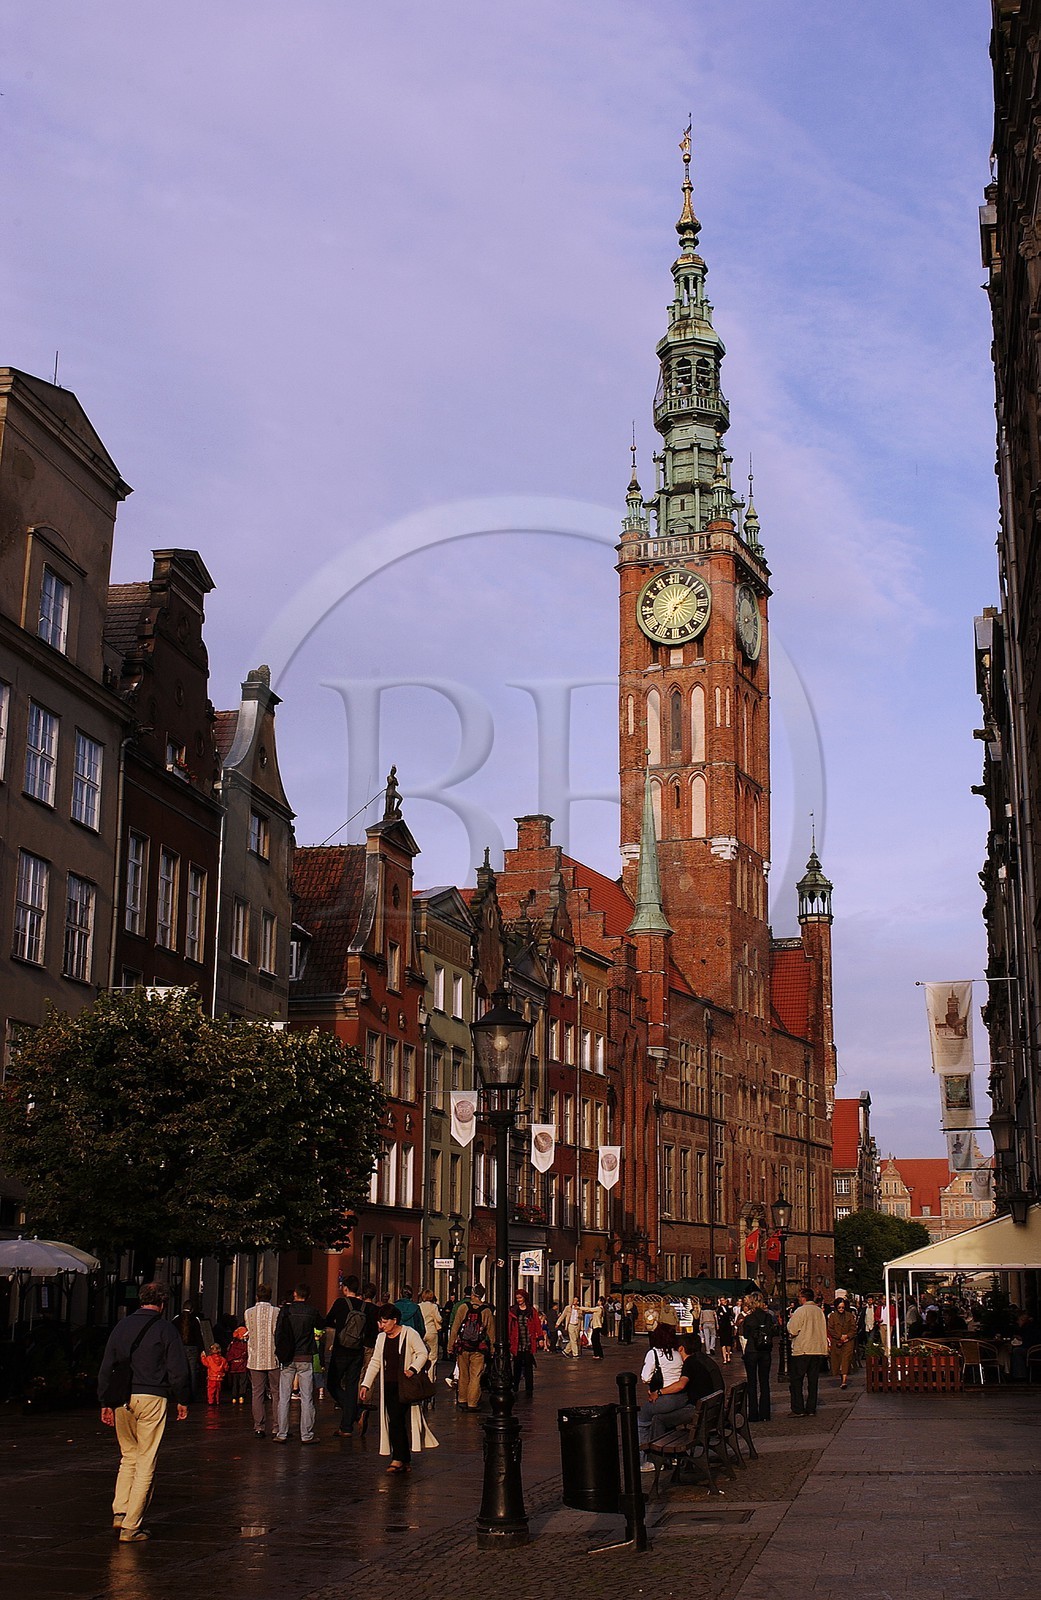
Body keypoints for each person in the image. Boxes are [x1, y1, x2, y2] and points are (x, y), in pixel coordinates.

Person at [97, 1281, 190, 1542]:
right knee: (146, 1460)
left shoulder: (121, 1326)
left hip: (122, 1397)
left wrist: (104, 1401)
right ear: (163, 1302)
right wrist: (182, 1398)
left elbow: (107, 1364)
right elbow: (178, 1369)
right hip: (152, 1396)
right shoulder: (165, 1329)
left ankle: (120, 1511)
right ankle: (132, 1525)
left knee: (128, 1456)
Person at [359, 1302, 439, 1472]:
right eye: (380, 1322)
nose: (381, 1326)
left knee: (397, 1419)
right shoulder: (381, 1338)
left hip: (405, 1385)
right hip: (388, 1384)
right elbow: (375, 1361)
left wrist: (412, 1369)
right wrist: (366, 1384)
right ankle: (402, 1459)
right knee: (395, 1420)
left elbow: (422, 1353)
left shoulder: (410, 1333)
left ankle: (398, 1459)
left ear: (394, 1320)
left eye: (384, 1322)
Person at [274, 1284, 319, 1443]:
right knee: (307, 1398)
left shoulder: (286, 1311)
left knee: (284, 1397)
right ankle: (306, 1434)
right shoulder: (312, 1311)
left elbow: (278, 1332)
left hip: (288, 1357)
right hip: (305, 1356)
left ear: (294, 1294)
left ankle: (282, 1433)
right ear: (308, 1296)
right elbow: (321, 1324)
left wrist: (279, 1352)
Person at [326, 1275, 369, 1438]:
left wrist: (339, 1326)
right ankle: (346, 1427)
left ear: (345, 1288)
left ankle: (355, 1414)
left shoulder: (340, 1303)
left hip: (341, 1349)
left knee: (332, 1383)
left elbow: (328, 1320)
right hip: (357, 1351)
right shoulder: (364, 1306)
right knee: (352, 1386)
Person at [636, 1325, 685, 1467]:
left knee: (642, 1422)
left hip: (664, 1398)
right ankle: (672, 1456)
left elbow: (645, 1377)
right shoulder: (677, 1353)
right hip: (681, 1398)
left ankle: (645, 1460)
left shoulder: (654, 1353)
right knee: (664, 1419)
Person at [449, 1285, 494, 1410]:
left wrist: (450, 1346)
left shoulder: (463, 1307)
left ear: (473, 1294)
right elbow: (491, 1332)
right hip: (478, 1348)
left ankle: (462, 1399)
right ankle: (472, 1403)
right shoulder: (486, 1311)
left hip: (463, 1346)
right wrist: (492, 1349)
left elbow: (455, 1328)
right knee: (476, 1376)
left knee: (463, 1374)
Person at [245, 1283, 281, 1438]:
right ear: (270, 1296)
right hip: (273, 1357)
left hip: (255, 1358)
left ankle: (259, 1427)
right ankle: (277, 1427)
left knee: (257, 1393)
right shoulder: (277, 1312)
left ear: (256, 1297)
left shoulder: (248, 1313)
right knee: (277, 1393)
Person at [788, 1285, 829, 1416]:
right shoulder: (819, 1311)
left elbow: (793, 1329)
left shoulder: (801, 1311)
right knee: (813, 1381)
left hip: (803, 1349)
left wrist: (791, 1319)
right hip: (817, 1349)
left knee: (796, 1380)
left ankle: (798, 1408)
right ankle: (811, 1408)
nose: (798, 1299)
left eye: (799, 1297)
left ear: (803, 1298)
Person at [739, 1292, 776, 1422]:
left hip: (752, 1351)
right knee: (764, 1382)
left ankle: (753, 1413)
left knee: (752, 1382)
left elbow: (745, 1335)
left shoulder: (749, 1318)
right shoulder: (768, 1317)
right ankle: (765, 1413)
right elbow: (772, 1331)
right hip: (765, 1351)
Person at [508, 1287, 546, 1396]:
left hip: (528, 1340)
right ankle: (515, 1385)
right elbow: (509, 1325)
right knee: (517, 1365)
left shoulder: (531, 1310)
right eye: (517, 1298)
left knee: (528, 1365)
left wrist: (540, 1338)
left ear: (524, 1298)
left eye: (520, 1298)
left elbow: (537, 1324)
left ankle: (529, 1388)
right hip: (517, 1341)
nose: (519, 1300)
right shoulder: (513, 1310)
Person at [173, 1303, 204, 1400]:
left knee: (180, 1371)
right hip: (193, 1348)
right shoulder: (195, 1319)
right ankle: (193, 1394)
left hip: (180, 1348)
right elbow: (199, 1336)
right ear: (192, 1309)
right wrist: (202, 1349)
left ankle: (180, 1393)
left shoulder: (176, 1319)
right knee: (193, 1371)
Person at [828, 1297, 857, 1390]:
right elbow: (830, 1329)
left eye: (843, 1307)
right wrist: (839, 1336)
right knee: (838, 1360)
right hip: (837, 1342)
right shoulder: (832, 1316)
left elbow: (853, 1328)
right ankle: (841, 1377)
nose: (841, 1309)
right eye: (839, 1307)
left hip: (848, 1341)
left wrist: (847, 1336)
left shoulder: (849, 1316)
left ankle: (844, 1381)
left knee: (846, 1359)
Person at [419, 1290, 442, 1369]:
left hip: (422, 1331)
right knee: (432, 1356)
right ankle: (430, 1375)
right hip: (431, 1331)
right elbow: (439, 1319)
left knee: (421, 1354)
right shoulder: (434, 1306)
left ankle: (421, 1373)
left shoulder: (419, 1306)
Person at [225, 1326, 249, 1403]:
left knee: (234, 1383)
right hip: (242, 1366)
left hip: (234, 1368)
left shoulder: (232, 1345)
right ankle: (241, 1396)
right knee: (243, 1382)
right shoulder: (245, 1345)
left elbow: (228, 1356)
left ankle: (234, 1397)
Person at [201, 1341, 228, 1405]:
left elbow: (205, 1363)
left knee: (211, 1391)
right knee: (218, 1391)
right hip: (219, 1378)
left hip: (211, 1378)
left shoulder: (209, 1359)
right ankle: (217, 1401)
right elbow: (226, 1368)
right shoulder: (223, 1359)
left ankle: (211, 1401)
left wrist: (203, 1356)